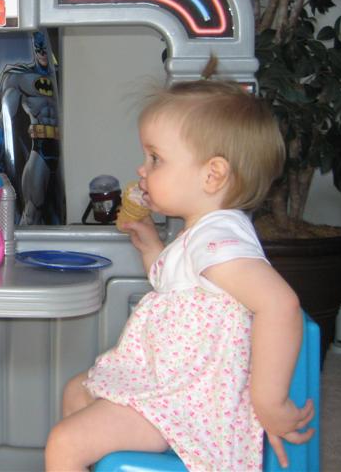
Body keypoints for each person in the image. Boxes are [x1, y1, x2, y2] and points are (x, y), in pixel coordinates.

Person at [44, 80, 314, 472]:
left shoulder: (216, 237)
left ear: (212, 175)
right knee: (76, 391)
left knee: (64, 443)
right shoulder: (202, 235)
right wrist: (151, 243)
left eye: (156, 159)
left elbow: (278, 303)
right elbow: (176, 285)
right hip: (165, 381)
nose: (142, 169)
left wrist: (268, 400)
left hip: (190, 398)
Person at [0, 31, 64, 225]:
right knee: (32, 211)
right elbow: (2, 119)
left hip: (64, 150)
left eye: (44, 46)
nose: (42, 52)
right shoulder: (21, 79)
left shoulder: (63, 77)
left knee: (59, 212)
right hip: (41, 150)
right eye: (38, 47)